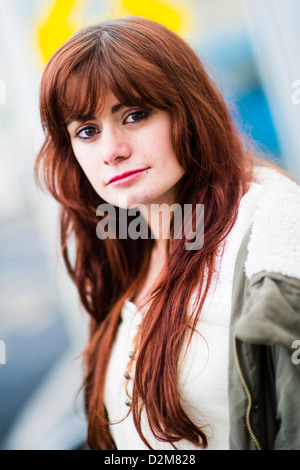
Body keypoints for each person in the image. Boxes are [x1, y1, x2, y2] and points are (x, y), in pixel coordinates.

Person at [35, 16, 300, 450]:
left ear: (190, 112)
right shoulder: (122, 250)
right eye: (87, 131)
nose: (112, 151)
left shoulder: (267, 248)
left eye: (135, 115)